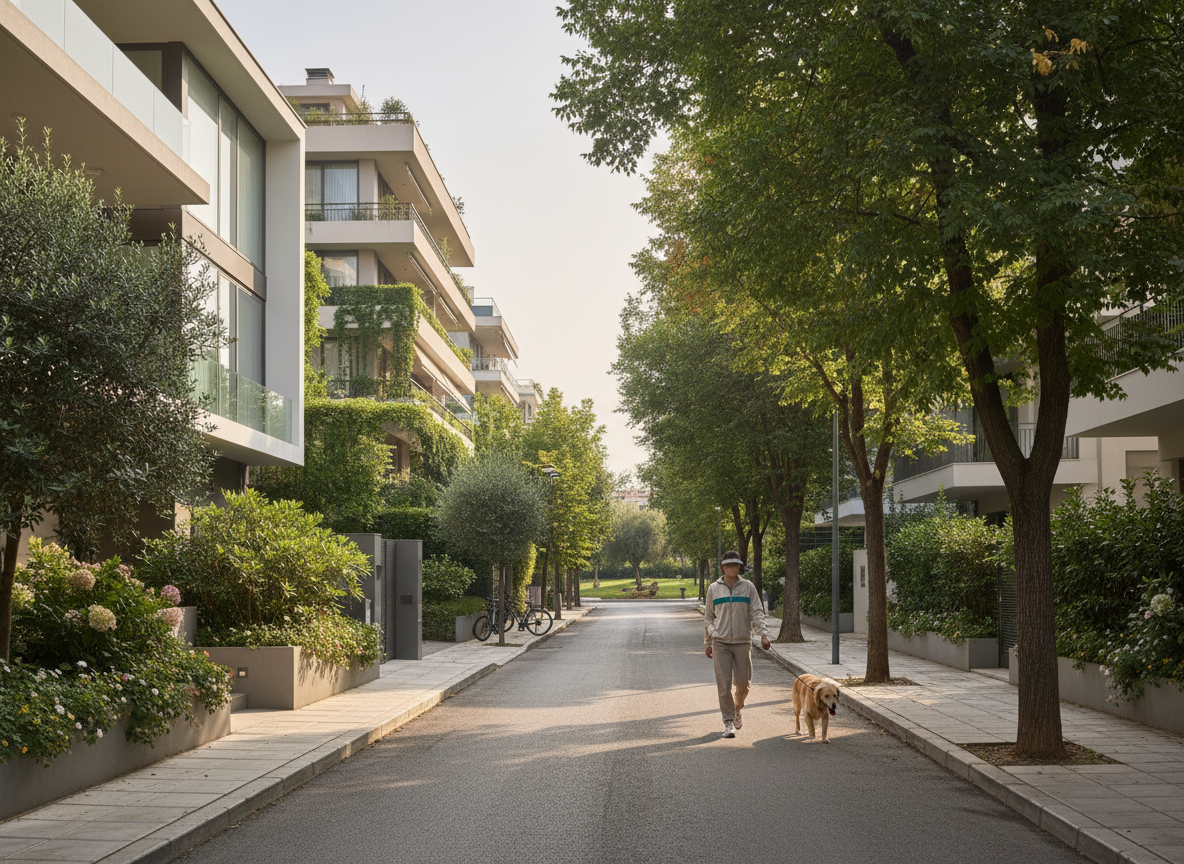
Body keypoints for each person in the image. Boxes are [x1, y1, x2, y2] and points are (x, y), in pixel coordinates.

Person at [704, 550, 771, 738]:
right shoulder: (713, 589)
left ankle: (737, 708)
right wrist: (710, 639)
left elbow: (757, 611)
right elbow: (709, 617)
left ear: (739, 567)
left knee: (743, 683)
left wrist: (763, 634)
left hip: (742, 641)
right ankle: (728, 722)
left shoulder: (748, 587)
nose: (733, 568)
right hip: (720, 643)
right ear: (723, 567)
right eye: (729, 565)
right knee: (724, 685)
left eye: (736, 565)